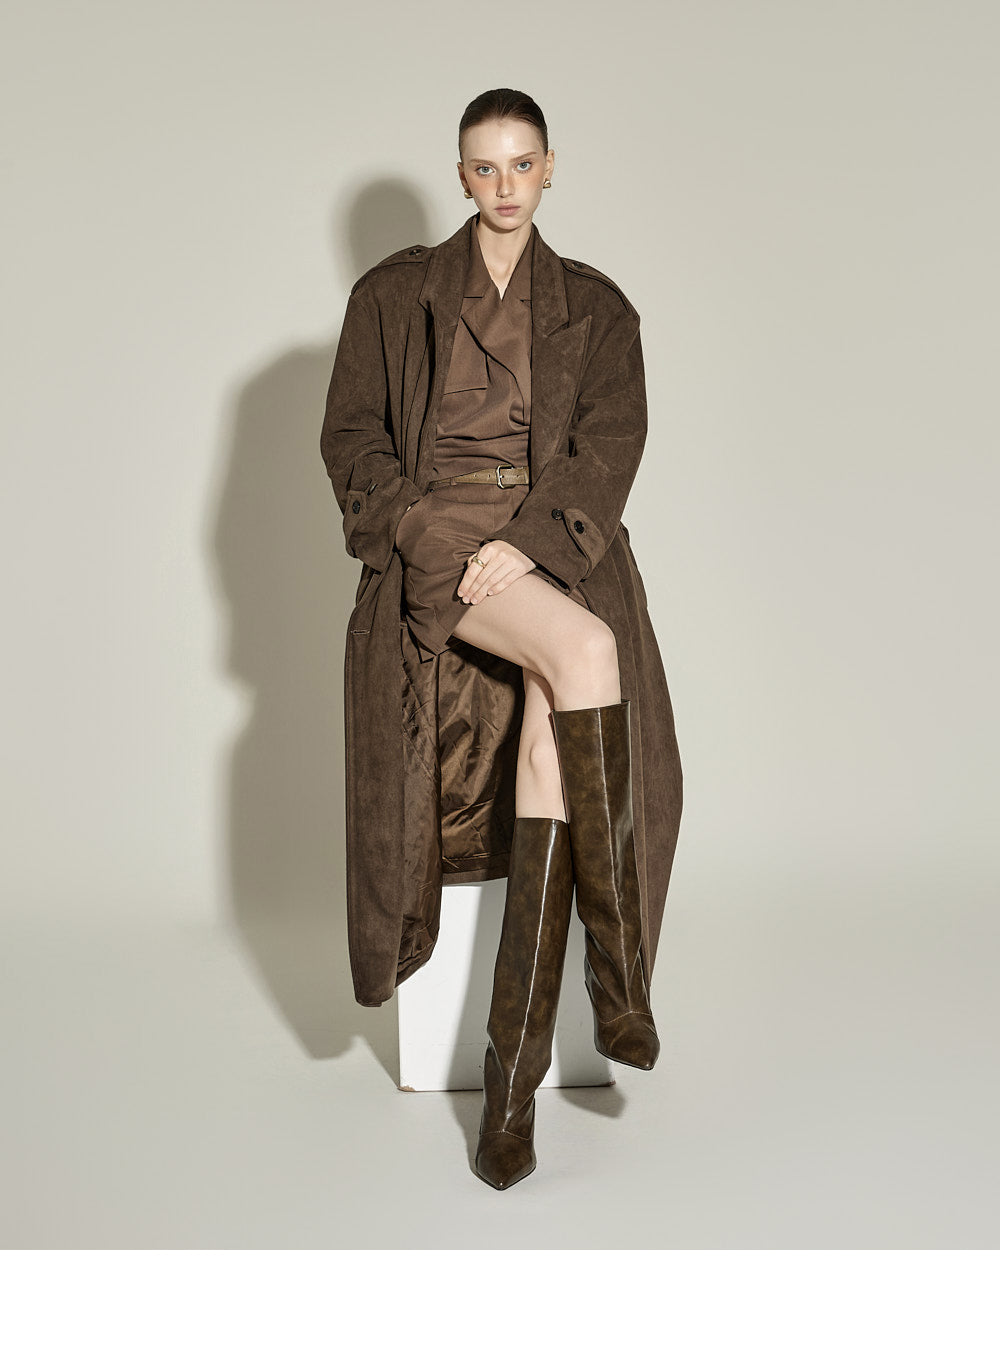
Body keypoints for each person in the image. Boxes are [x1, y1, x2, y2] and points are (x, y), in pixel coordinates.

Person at [321, 88, 683, 1191]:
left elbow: (609, 449)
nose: (504, 186)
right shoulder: (392, 296)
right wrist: (421, 529)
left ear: (550, 166)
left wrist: (526, 546)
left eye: (522, 164)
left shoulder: (598, 309)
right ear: (461, 174)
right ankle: (619, 985)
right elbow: (352, 441)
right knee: (588, 656)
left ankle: (510, 1088)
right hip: (440, 539)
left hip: (551, 536)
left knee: (549, 725)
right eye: (484, 167)